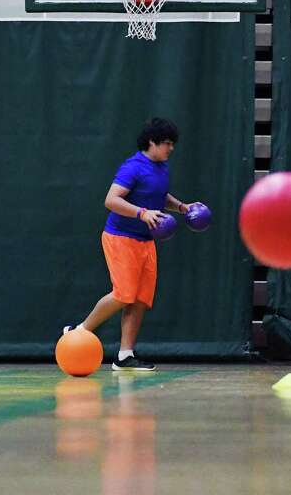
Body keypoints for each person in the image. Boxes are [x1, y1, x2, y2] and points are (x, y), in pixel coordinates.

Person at [62, 118, 200, 372]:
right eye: (167, 144)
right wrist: (141, 213)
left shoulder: (161, 167)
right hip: (120, 238)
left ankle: (125, 356)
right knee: (123, 294)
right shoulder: (133, 167)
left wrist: (181, 207)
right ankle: (78, 331)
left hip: (146, 242)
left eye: (172, 144)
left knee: (139, 300)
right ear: (152, 143)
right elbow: (111, 200)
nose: (171, 148)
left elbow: (159, 196)